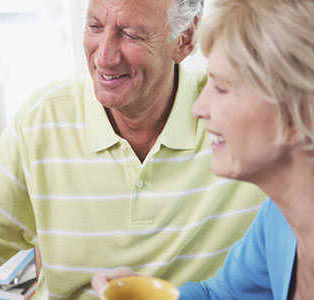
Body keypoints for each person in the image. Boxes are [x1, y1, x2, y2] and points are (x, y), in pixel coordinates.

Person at [0, 0, 266, 299]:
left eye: (131, 34)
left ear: (185, 40)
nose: (105, 58)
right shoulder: (43, 120)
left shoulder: (234, 117)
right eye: (95, 26)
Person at [92, 0, 314, 299]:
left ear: (299, 111)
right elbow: (221, 296)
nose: (199, 107)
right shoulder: (278, 218)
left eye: (221, 88)